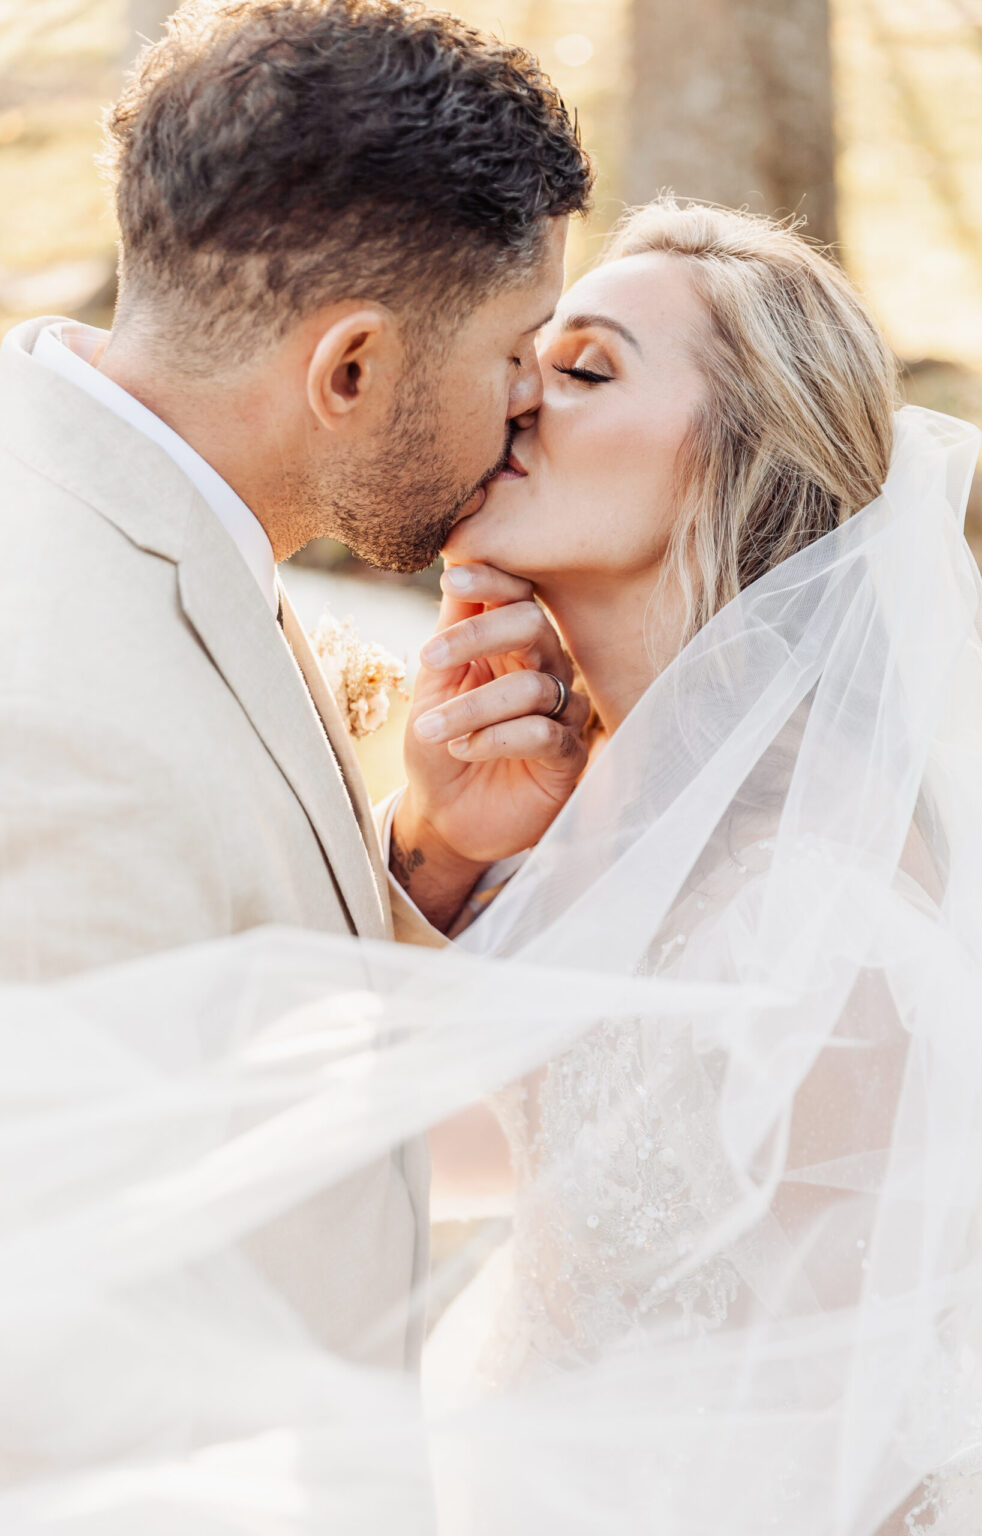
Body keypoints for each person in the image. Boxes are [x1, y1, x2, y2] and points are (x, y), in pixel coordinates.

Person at [407, 202, 982, 1532]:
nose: (513, 404)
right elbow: (421, 1153)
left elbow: (842, 1455)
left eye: (582, 370)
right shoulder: (606, 808)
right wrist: (443, 849)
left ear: (740, 460)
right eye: (525, 364)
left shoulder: (827, 913)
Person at [0, 0, 593, 1370]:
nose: (528, 406)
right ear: (354, 367)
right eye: (517, 351)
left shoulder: (153, 519)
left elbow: (232, 1069)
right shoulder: (49, 714)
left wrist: (428, 863)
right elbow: (71, 1344)